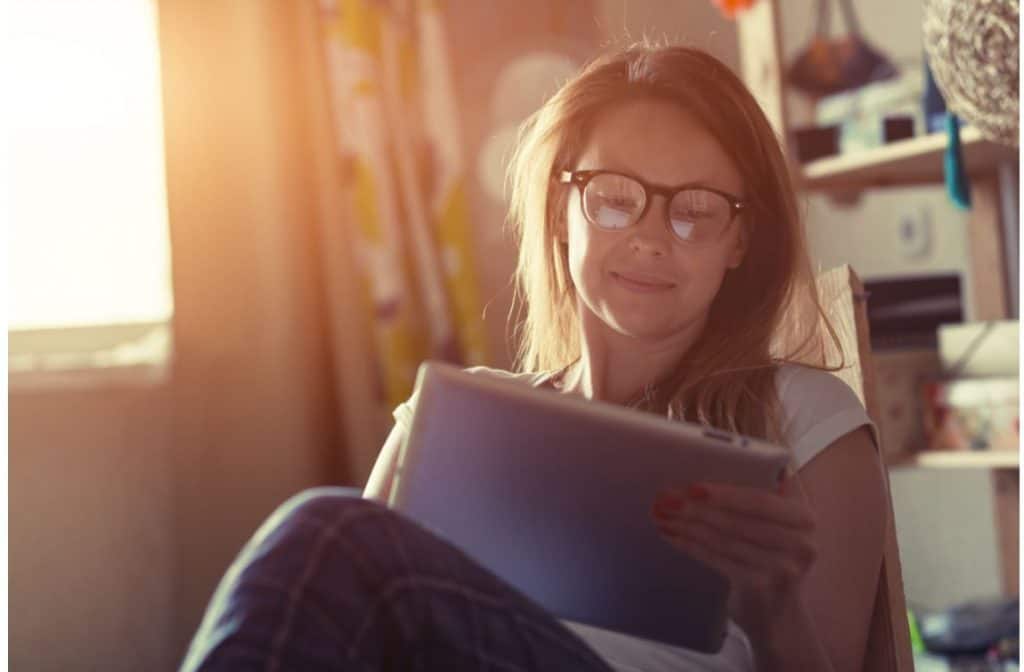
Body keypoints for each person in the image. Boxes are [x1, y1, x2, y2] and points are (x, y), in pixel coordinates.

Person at [180, 43, 887, 672]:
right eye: (614, 199)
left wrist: (776, 611)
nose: (649, 238)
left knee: (324, 531)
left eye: (695, 210)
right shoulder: (450, 422)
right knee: (330, 540)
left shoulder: (809, 422)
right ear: (559, 209)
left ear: (739, 239)